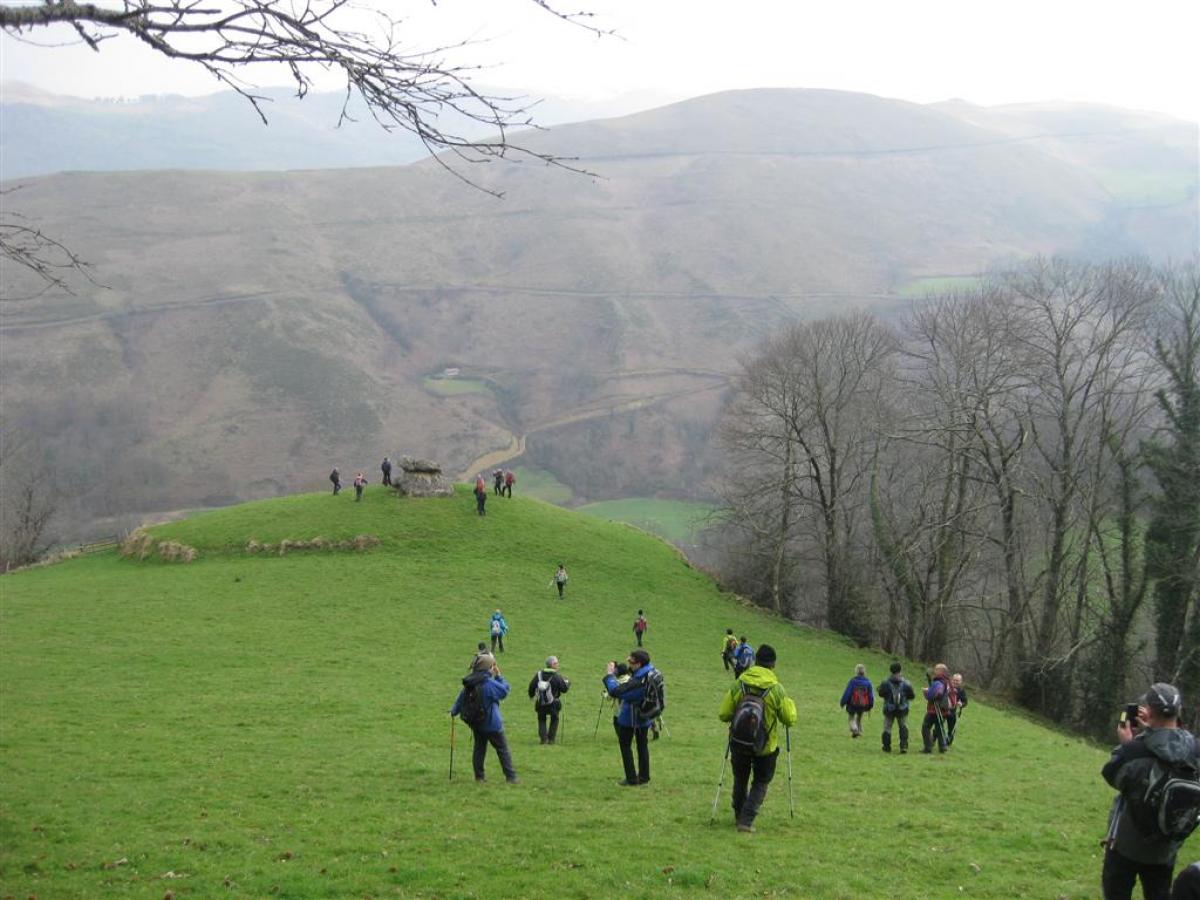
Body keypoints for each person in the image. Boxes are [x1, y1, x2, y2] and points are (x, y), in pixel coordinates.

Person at [1102, 683, 1200, 900]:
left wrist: (1130, 742)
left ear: (1149, 711)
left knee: (1116, 892)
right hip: (1166, 846)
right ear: (1179, 711)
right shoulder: (1195, 750)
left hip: (1127, 843)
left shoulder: (1135, 750)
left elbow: (1112, 775)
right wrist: (1154, 731)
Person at [718, 643, 798, 833]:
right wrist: (791, 705)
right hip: (766, 746)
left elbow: (723, 713)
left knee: (740, 779)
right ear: (773, 665)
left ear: (755, 661)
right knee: (761, 781)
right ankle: (746, 821)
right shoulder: (777, 689)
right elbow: (789, 719)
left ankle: (739, 814)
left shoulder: (740, 683)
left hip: (738, 742)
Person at [449, 653, 518, 784]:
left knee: (479, 750)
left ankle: (479, 777)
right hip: (493, 725)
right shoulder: (488, 683)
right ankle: (511, 777)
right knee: (502, 750)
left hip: (476, 724)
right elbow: (504, 691)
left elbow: (461, 698)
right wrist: (498, 676)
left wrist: (454, 711)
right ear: (489, 667)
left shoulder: (470, 682)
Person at [603, 649, 661, 786]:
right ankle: (644, 777)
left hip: (630, 717)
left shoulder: (638, 680)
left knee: (625, 746)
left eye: (631, 662)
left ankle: (631, 779)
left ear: (639, 664)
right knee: (642, 746)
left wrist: (609, 676)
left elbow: (616, 692)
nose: (629, 663)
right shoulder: (651, 672)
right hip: (645, 715)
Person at [528, 655, 571, 745]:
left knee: (541, 719)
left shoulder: (539, 674)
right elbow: (564, 689)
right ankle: (551, 739)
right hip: (553, 703)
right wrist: (568, 683)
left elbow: (531, 686)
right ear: (552, 664)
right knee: (554, 719)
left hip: (541, 702)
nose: (558, 665)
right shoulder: (557, 676)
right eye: (556, 663)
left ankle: (543, 739)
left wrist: (531, 695)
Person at [878, 661, 916, 753]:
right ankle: (903, 746)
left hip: (889, 709)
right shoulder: (906, 683)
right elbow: (912, 696)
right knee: (903, 727)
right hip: (902, 709)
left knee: (887, 727)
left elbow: (881, 693)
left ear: (891, 670)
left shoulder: (885, 683)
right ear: (900, 670)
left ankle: (886, 747)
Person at [921, 664, 954, 753]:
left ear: (941, 671)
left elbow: (936, 694)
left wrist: (927, 692)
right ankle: (942, 747)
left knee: (925, 727)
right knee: (939, 728)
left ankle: (928, 747)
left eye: (936, 669)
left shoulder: (938, 681)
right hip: (944, 709)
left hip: (934, 709)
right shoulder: (948, 682)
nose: (934, 671)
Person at [839, 664, 874, 738]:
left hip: (853, 704)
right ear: (864, 672)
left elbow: (847, 693)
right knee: (859, 717)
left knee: (851, 718)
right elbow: (870, 695)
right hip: (863, 704)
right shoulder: (868, 682)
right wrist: (870, 705)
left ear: (856, 672)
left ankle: (855, 730)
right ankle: (859, 731)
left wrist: (842, 702)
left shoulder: (853, 681)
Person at [946, 673, 969, 746]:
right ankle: (933, 739)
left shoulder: (961, 690)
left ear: (960, 681)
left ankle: (948, 742)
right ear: (951, 680)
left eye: (957, 681)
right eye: (954, 680)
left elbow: (965, 701)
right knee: (938, 725)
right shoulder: (947, 687)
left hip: (952, 712)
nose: (955, 682)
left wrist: (961, 704)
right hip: (943, 710)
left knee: (951, 729)